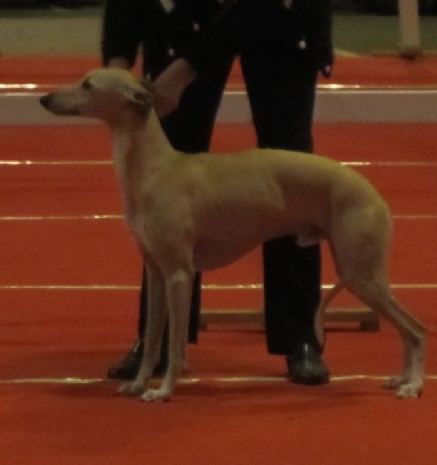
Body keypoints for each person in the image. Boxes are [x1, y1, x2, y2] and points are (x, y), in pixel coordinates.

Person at [101, 0, 334, 385]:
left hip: (284, 15)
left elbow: (258, 10)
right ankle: (157, 340)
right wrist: (115, 66)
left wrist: (184, 70)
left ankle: (299, 336)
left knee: (291, 171)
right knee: (170, 164)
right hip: (186, 14)